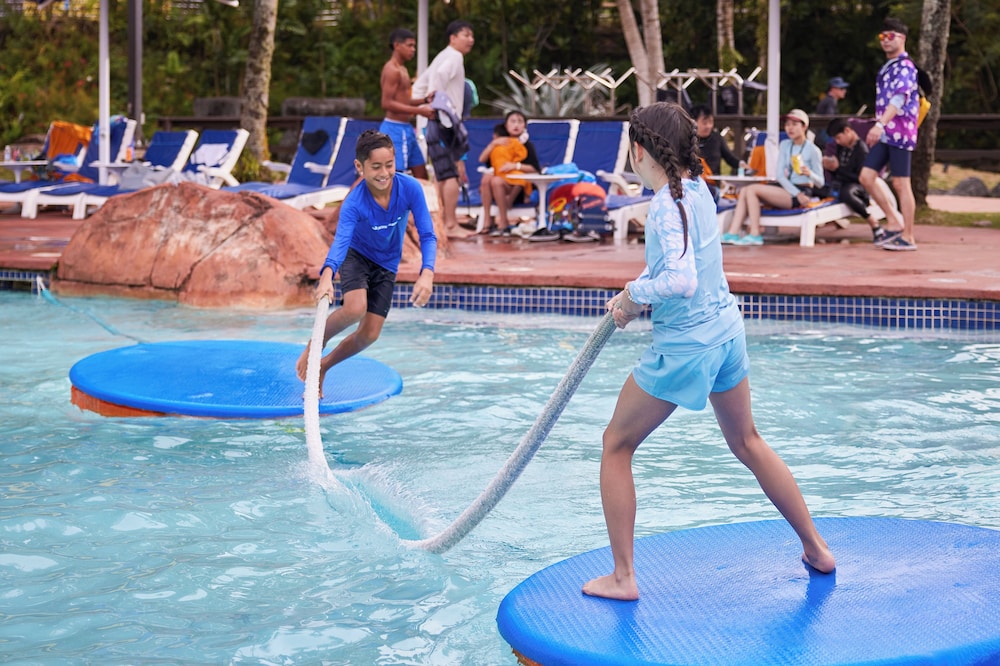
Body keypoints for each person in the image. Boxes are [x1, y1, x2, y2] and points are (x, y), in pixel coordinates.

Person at [581, 102, 835, 602]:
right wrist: (637, 292)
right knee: (748, 441)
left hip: (687, 347)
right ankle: (817, 548)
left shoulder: (663, 205)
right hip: (726, 334)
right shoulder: (698, 188)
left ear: (639, 151)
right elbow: (686, 264)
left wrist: (633, 295)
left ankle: (623, 577)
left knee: (616, 444)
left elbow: (680, 279)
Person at [295, 130, 437, 393]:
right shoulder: (354, 203)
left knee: (370, 334)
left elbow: (427, 234)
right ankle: (315, 346)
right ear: (360, 167)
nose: (384, 173)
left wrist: (427, 272)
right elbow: (341, 241)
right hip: (357, 255)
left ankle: (324, 366)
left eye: (389, 165)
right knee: (355, 308)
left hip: (387, 262)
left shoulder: (410, 188)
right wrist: (327, 276)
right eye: (376, 167)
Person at [859, 18, 919, 252]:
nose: (885, 41)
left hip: (900, 131)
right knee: (866, 176)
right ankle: (894, 221)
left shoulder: (905, 66)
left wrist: (880, 124)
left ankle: (909, 236)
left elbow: (900, 98)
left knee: (901, 184)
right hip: (886, 133)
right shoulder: (889, 66)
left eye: (890, 36)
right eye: (882, 37)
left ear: (902, 38)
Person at [722, 109, 824, 246]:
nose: (790, 128)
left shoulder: (813, 150)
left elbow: (820, 182)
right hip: (789, 189)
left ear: (804, 126)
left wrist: (809, 174)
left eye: (794, 124)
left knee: (751, 190)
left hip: (802, 191)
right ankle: (733, 232)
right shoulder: (785, 145)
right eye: (787, 124)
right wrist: (796, 193)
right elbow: (780, 175)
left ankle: (755, 234)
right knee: (746, 190)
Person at [412, 19, 475, 238]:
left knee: (440, 175)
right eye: (466, 35)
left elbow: (419, 85)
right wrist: (436, 102)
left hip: (434, 122)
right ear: (453, 38)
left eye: (472, 36)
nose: (471, 40)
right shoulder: (454, 56)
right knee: (450, 175)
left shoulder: (441, 56)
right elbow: (438, 77)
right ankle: (450, 224)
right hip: (445, 122)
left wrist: (423, 104)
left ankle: (440, 224)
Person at [379, 28, 436, 181]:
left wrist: (425, 100)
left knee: (421, 174)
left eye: (414, 46)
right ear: (397, 45)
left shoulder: (403, 69)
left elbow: (403, 101)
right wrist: (419, 111)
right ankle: (350, 197)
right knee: (393, 176)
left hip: (406, 129)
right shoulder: (391, 70)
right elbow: (386, 103)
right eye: (409, 45)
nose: (413, 50)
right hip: (395, 129)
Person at [477, 110, 541, 236]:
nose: (516, 125)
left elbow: (535, 169)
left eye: (520, 122)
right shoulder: (502, 143)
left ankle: (503, 221)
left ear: (524, 126)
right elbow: (483, 160)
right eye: (513, 121)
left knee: (496, 181)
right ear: (506, 125)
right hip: (501, 186)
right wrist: (493, 144)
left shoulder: (527, 145)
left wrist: (515, 165)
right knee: (486, 179)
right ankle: (487, 220)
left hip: (520, 188)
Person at [823, 117, 886, 243]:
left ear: (847, 131)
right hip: (841, 183)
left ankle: (872, 221)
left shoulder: (861, 150)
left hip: (857, 187)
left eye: (838, 138)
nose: (838, 142)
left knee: (846, 193)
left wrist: (837, 169)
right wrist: (831, 168)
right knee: (818, 188)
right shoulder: (841, 147)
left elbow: (860, 178)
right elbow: (839, 172)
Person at [690, 104, 745, 178]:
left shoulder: (716, 138)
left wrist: (741, 164)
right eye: (704, 123)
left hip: (714, 181)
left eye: (710, 122)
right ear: (694, 122)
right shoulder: (687, 139)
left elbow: (730, 158)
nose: (708, 126)